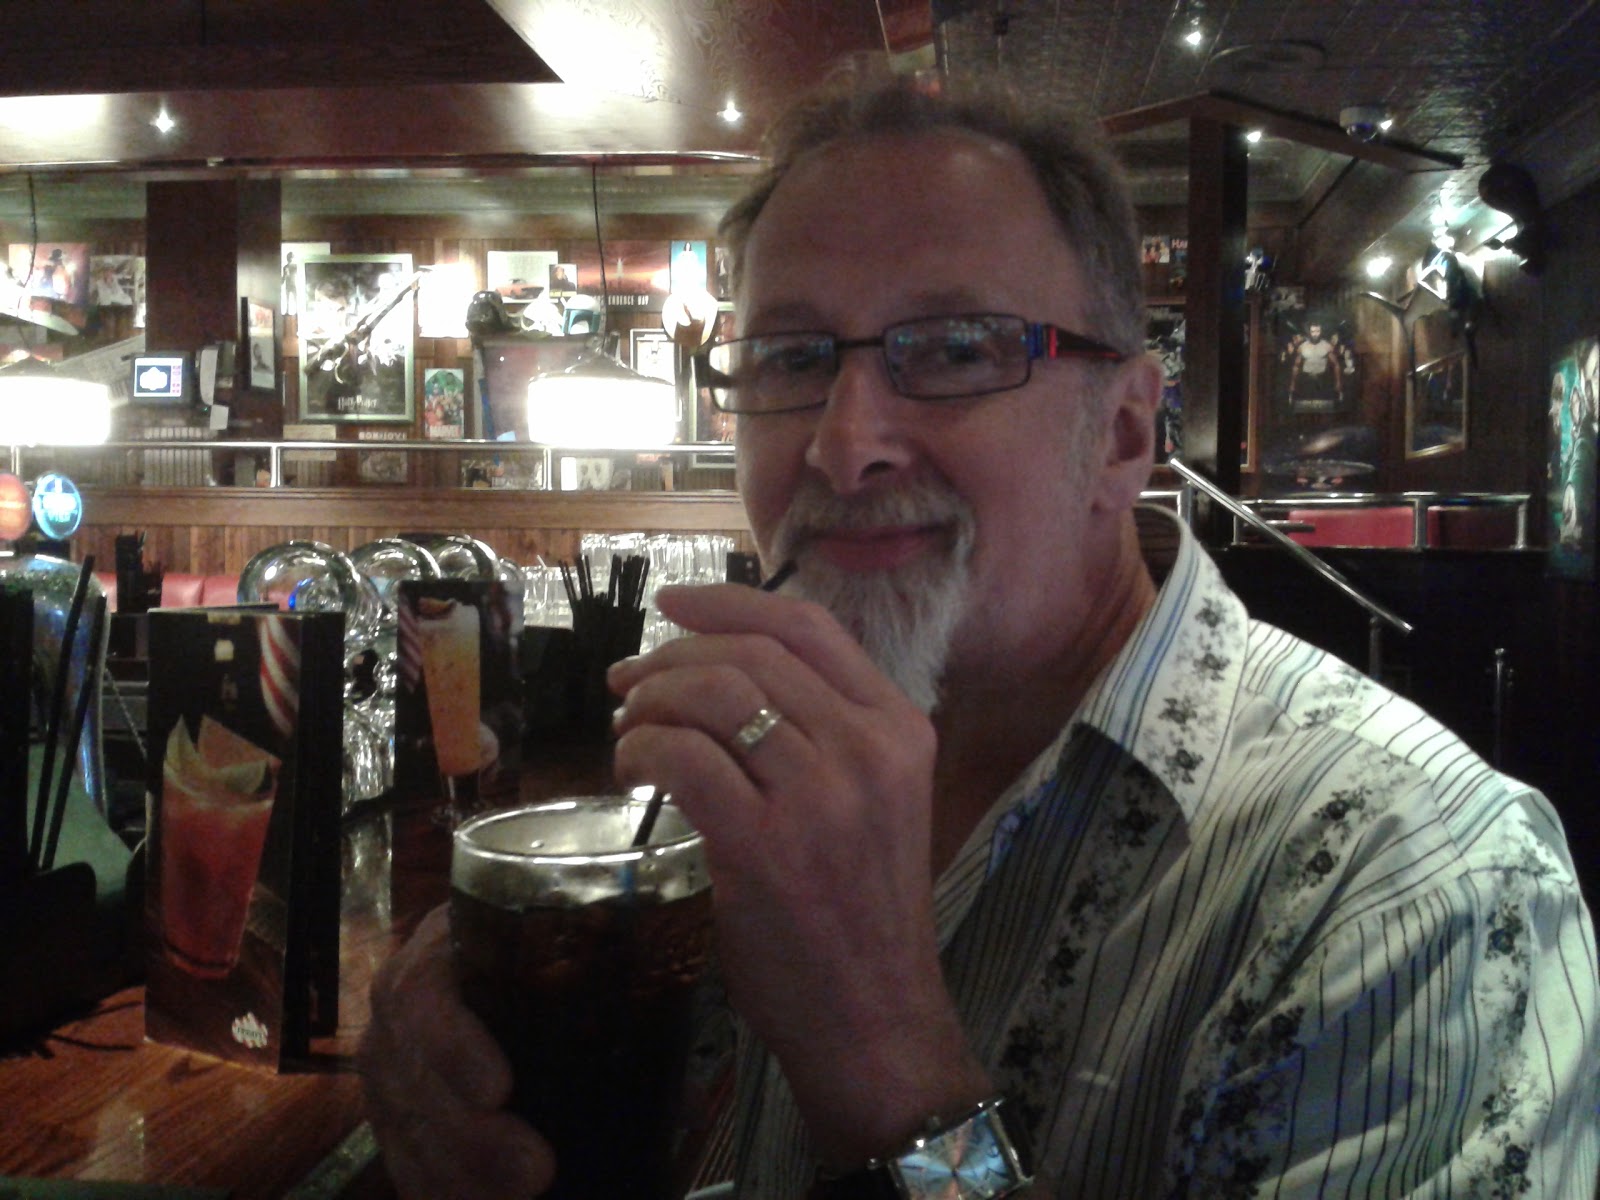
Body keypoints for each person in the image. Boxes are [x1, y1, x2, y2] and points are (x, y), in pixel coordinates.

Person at [359, 69, 1600, 1199]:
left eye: (957, 349)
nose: (844, 444)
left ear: (1124, 434)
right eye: (790, 357)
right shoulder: (743, 771)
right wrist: (471, 1024)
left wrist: (890, 1071)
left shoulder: (1417, 887)